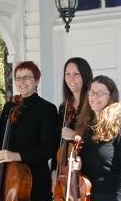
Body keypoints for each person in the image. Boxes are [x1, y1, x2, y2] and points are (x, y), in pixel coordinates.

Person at [0, 61, 58, 200]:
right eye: (18, 78)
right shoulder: (9, 107)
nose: (21, 81)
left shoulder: (47, 109)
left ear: (37, 81)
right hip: (7, 177)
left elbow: (48, 149)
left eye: (27, 77)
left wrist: (16, 156)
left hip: (35, 179)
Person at [76, 75, 121, 201]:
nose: (94, 96)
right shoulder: (87, 126)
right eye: (92, 92)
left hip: (113, 196)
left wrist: (119, 199)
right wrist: (79, 164)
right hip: (90, 196)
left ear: (111, 97)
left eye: (100, 93)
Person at [51, 57, 93, 192]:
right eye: (67, 74)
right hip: (64, 172)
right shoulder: (64, 108)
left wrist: (75, 135)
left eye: (76, 74)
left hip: (87, 169)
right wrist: (54, 171)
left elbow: (98, 139)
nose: (71, 78)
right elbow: (58, 143)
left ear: (85, 76)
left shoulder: (93, 105)